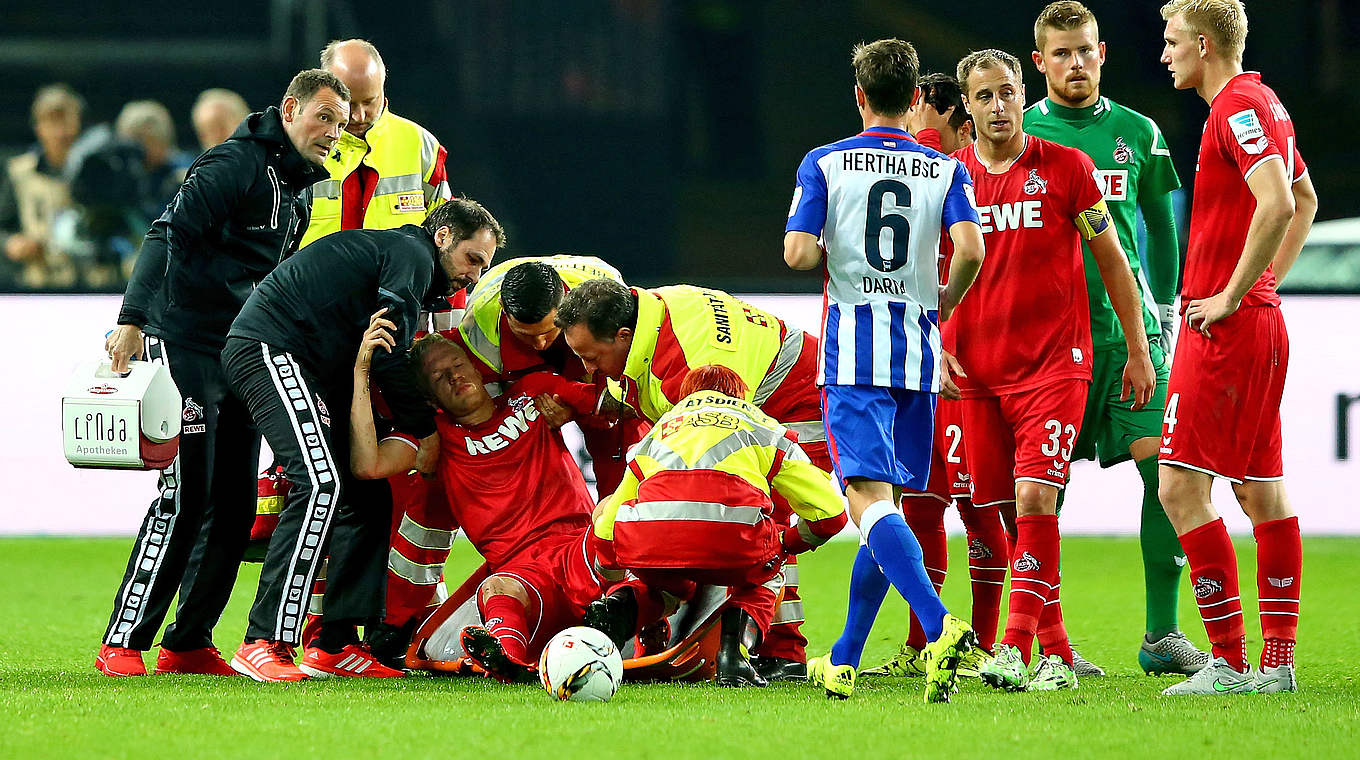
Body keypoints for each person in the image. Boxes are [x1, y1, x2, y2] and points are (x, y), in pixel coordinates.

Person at [96, 69, 349, 678]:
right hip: (181, 343)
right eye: (323, 118)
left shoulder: (299, 188)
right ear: (289, 110)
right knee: (187, 494)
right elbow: (167, 234)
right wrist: (131, 320)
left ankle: (187, 642)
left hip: (238, 351)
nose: (332, 134)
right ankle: (123, 642)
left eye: (340, 125)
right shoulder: (231, 165)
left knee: (235, 505)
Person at [222, 198, 502, 681]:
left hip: (309, 365)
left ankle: (334, 643)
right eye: (472, 259)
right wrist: (423, 430)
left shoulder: (399, 258)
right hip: (269, 346)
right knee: (319, 485)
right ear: (441, 239)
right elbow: (390, 352)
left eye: (484, 265)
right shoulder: (411, 254)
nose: (474, 276)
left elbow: (378, 351)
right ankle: (262, 640)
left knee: (365, 495)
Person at [782, 38, 985, 702]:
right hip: (919, 358)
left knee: (866, 504)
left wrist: (818, 237)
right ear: (916, 99)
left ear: (859, 96)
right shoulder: (946, 169)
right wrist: (943, 299)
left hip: (854, 357)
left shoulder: (825, 162)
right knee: (886, 509)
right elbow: (972, 250)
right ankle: (842, 658)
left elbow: (797, 258)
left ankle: (939, 625)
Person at [950, 48, 1156, 692]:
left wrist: (1139, 348)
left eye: (1007, 92)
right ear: (968, 108)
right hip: (978, 374)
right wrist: (937, 336)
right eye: (984, 97)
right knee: (1012, 511)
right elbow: (931, 267)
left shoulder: (1068, 168)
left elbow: (1114, 260)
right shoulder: (948, 179)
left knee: (1039, 496)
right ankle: (1058, 648)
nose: (999, 106)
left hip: (1054, 366)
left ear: (1021, 93)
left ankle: (1013, 648)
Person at [1022, 0, 1209, 678]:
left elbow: (1161, 227)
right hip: (1050, 347)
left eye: (1086, 50)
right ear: (1040, 62)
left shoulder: (1139, 133)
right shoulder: (1020, 135)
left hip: (1131, 341)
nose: (1077, 62)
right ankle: (1051, 646)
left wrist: (1162, 311)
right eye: (1062, 52)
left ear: (1102, 53)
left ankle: (1162, 635)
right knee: (1041, 493)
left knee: (1167, 475)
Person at [1156, 0, 1315, 696]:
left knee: (1180, 486)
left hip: (1227, 326)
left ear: (1203, 44)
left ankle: (1226, 662)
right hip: (1258, 320)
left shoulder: (1235, 109)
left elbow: (1279, 203)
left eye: (1171, 42)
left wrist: (1228, 294)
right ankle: (1274, 666)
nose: (1164, 54)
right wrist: (1265, 284)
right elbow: (1306, 197)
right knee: (1259, 489)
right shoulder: (1264, 101)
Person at [554, 278, 826, 681]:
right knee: (693, 528)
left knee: (761, 525)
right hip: (761, 391)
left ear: (623, 337)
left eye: (590, 357)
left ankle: (782, 651)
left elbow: (711, 467)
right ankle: (667, 630)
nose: (587, 369)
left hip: (800, 397)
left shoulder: (693, 363)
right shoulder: (643, 322)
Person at [861, 73, 1010, 681]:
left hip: (966, 364)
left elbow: (981, 266)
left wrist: (947, 334)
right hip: (923, 361)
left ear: (949, 117)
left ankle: (988, 642)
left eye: (927, 118)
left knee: (976, 508)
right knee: (920, 505)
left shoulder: (955, 173)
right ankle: (925, 645)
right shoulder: (930, 172)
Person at [352, 328, 608, 683]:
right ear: (430, 398)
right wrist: (360, 374)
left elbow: (610, 402)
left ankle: (654, 636)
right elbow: (369, 465)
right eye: (440, 377)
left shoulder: (534, 392)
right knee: (496, 590)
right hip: (521, 573)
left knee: (624, 528)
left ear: (476, 368)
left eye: (458, 365)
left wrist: (578, 414)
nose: (455, 376)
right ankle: (508, 660)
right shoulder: (435, 440)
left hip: (580, 547)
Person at [589, 365, 849, 688]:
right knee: (769, 572)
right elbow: (833, 513)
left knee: (663, 581)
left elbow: (605, 528)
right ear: (741, 395)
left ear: (687, 396)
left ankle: (620, 609)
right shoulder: (764, 427)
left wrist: (615, 581)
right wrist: (787, 542)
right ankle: (735, 656)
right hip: (733, 540)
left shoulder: (659, 430)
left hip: (650, 538)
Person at [458, 256, 647, 492]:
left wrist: (577, 408)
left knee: (619, 434)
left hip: (585, 331)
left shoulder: (608, 310)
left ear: (566, 305)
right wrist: (531, 414)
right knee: (510, 444)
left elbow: (627, 392)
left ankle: (620, 518)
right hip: (508, 371)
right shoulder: (478, 334)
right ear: (504, 310)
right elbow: (489, 419)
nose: (539, 344)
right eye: (525, 334)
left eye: (548, 331)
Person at [301, 39, 452, 248]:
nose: (358, 115)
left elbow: (447, 239)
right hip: (311, 280)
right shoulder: (298, 147)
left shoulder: (421, 146)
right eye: (348, 103)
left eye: (369, 101)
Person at [1, 84, 83, 289]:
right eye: (52, 123)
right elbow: (3, 226)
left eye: (67, 121)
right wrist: (12, 244)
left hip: (91, 284)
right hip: (37, 284)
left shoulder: (97, 169)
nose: (61, 132)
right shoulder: (19, 172)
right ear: (38, 128)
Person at [908, 73, 974, 155]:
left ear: (964, 130)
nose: (919, 145)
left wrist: (928, 138)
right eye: (914, 138)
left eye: (932, 135)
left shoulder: (989, 165)